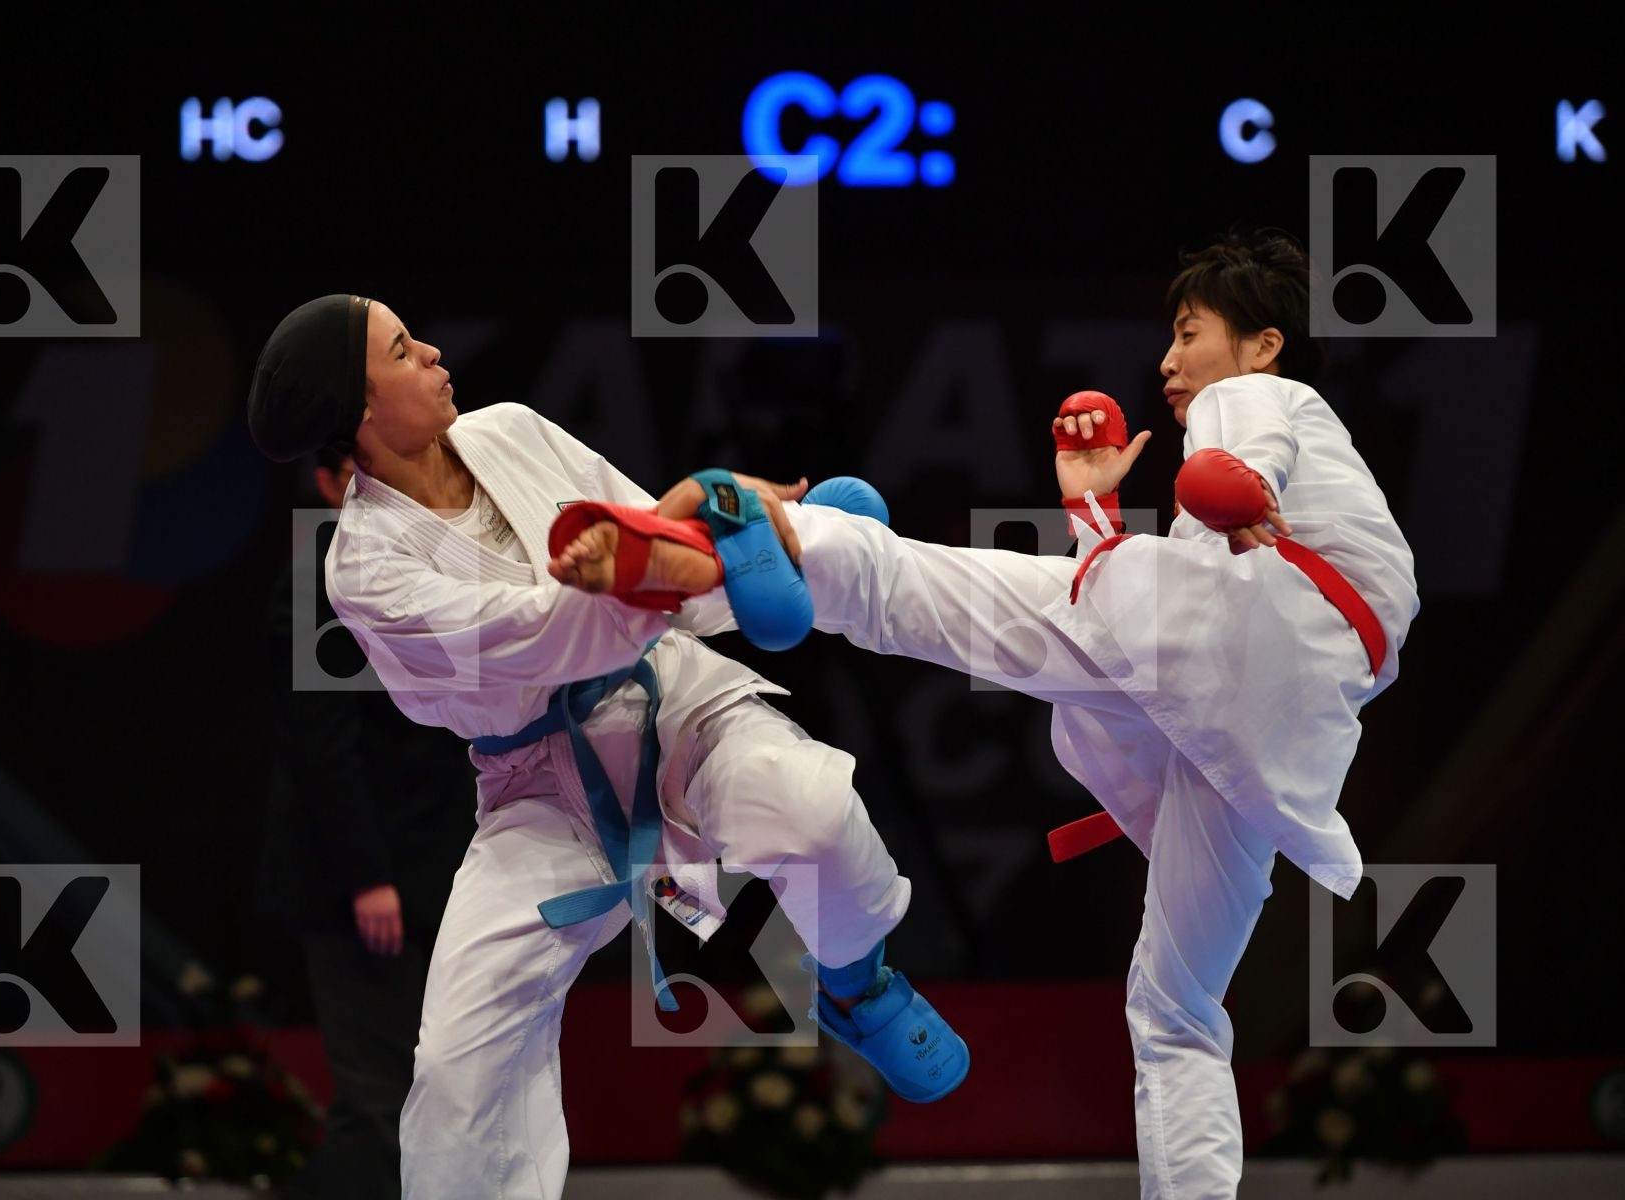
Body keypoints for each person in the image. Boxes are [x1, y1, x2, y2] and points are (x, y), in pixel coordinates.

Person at [551, 230, 1420, 1198]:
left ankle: (775, 541)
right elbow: (1172, 606)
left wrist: (1230, 485)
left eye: (1189, 333)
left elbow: (1234, 467)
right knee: (1174, 1009)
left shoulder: (1263, 394)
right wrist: (1098, 514)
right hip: (1270, 720)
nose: (1169, 361)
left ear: (1264, 343)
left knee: (951, 595)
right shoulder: (1300, 474)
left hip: (1254, 646)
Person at [245, 294, 969, 1200]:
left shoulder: (507, 429)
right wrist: (669, 554)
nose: (432, 350)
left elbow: (645, 532)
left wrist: (756, 553)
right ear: (357, 413)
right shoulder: (366, 566)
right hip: (542, 787)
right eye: (401, 349)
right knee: (458, 1064)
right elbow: (544, 635)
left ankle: (860, 987)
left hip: (678, 704)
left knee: (815, 812)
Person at [258, 444, 477, 1200]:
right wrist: (368, 878)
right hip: (363, 891)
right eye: (356, 476)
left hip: (433, 875)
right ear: (324, 483)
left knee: (440, 1099)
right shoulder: (318, 572)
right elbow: (322, 744)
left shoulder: (427, 563)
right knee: (381, 1104)